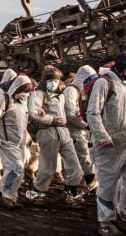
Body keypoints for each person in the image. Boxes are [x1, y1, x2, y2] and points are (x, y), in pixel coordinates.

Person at [87, 52, 126, 236]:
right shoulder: (104, 83)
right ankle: (105, 222)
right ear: (121, 68)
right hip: (109, 144)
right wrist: (102, 136)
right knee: (108, 184)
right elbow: (93, 112)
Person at [26, 65, 85, 204]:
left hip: (63, 132)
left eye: (56, 81)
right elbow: (33, 112)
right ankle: (37, 192)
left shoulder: (60, 95)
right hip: (48, 132)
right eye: (51, 81)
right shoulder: (39, 94)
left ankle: (72, 192)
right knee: (48, 167)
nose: (54, 83)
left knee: (74, 165)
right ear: (45, 81)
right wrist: (50, 119)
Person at [0, 75, 32, 208]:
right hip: (6, 141)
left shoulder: (23, 102)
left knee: (16, 169)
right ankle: (7, 195)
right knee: (17, 167)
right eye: (25, 90)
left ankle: (11, 194)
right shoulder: (4, 99)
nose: (26, 94)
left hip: (19, 141)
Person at [63, 65, 98, 190]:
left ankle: (87, 181)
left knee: (85, 155)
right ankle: (77, 185)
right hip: (72, 130)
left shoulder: (80, 91)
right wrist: (86, 125)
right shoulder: (70, 91)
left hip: (80, 129)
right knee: (80, 157)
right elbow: (71, 114)